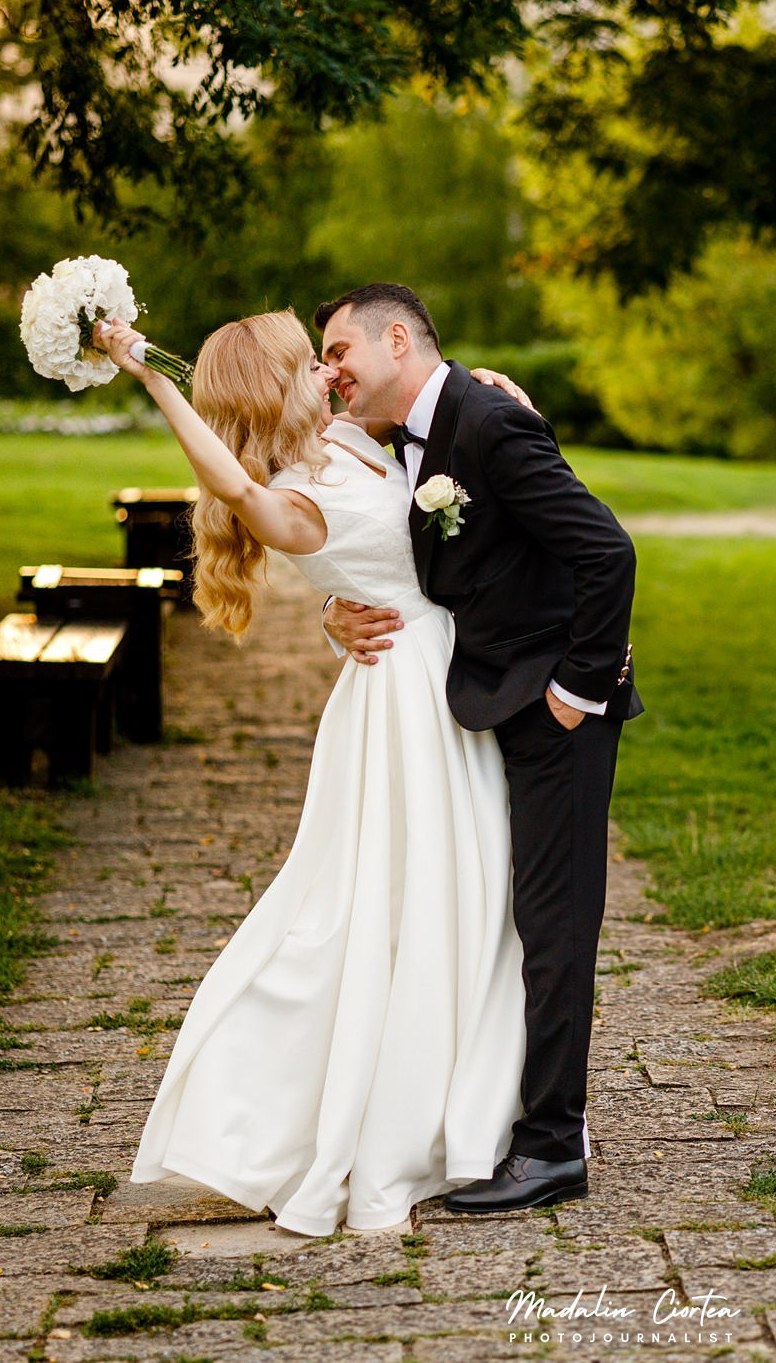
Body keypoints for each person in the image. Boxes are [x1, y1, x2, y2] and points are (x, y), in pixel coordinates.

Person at [92, 311, 530, 1236]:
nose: (334, 372)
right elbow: (232, 483)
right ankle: (289, 1112)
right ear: (281, 383)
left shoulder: (346, 440)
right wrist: (153, 377)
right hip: (399, 706)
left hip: (445, 676)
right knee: (375, 909)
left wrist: (490, 395)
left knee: (471, 896)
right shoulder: (284, 490)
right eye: (314, 361)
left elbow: (429, 438)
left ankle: (476, 1095)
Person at [315, 283, 642, 1214]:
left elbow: (606, 552)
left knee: (554, 927)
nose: (330, 370)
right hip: (483, 705)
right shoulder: (414, 435)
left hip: (555, 712)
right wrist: (333, 606)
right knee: (508, 921)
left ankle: (551, 1151)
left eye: (340, 349)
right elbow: (384, 547)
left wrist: (579, 691)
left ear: (396, 338)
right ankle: (517, 1119)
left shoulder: (486, 420)